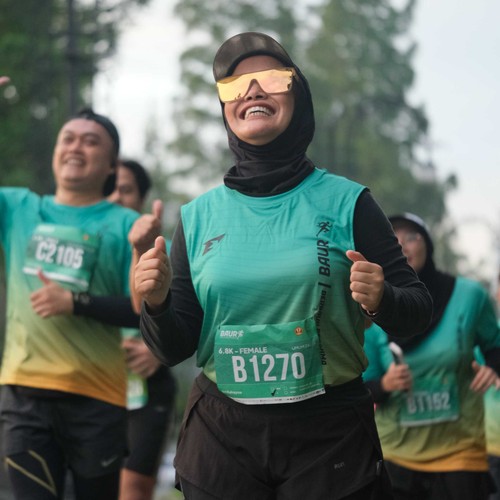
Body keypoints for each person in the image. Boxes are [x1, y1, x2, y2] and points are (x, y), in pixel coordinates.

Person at [132, 32, 433, 500]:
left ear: (299, 96)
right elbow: (174, 348)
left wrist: (382, 298)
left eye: (271, 79)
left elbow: (417, 310)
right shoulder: (196, 217)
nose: (252, 91)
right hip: (222, 436)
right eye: (235, 86)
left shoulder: (349, 202)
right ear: (226, 109)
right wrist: (156, 303)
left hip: (329, 437)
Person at [0, 101, 139, 499]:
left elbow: (141, 310)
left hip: (98, 399)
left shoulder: (128, 225)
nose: (76, 147)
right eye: (68, 138)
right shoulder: (18, 208)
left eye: (91, 141)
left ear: (111, 166)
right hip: (25, 395)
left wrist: (76, 302)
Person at [363, 212, 500, 500]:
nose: (403, 245)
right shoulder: (370, 310)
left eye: (412, 237)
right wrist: (385, 384)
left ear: (428, 244)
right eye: (394, 239)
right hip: (397, 453)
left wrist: (494, 366)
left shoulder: (469, 296)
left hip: (460, 451)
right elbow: (361, 388)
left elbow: (495, 344)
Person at [108, 159, 177, 500]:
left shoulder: (163, 249)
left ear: (142, 198)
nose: (115, 197)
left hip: (146, 388)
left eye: (125, 190)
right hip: (91, 382)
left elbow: (181, 314)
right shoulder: (82, 244)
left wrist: (157, 350)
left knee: (132, 489)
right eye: (108, 189)